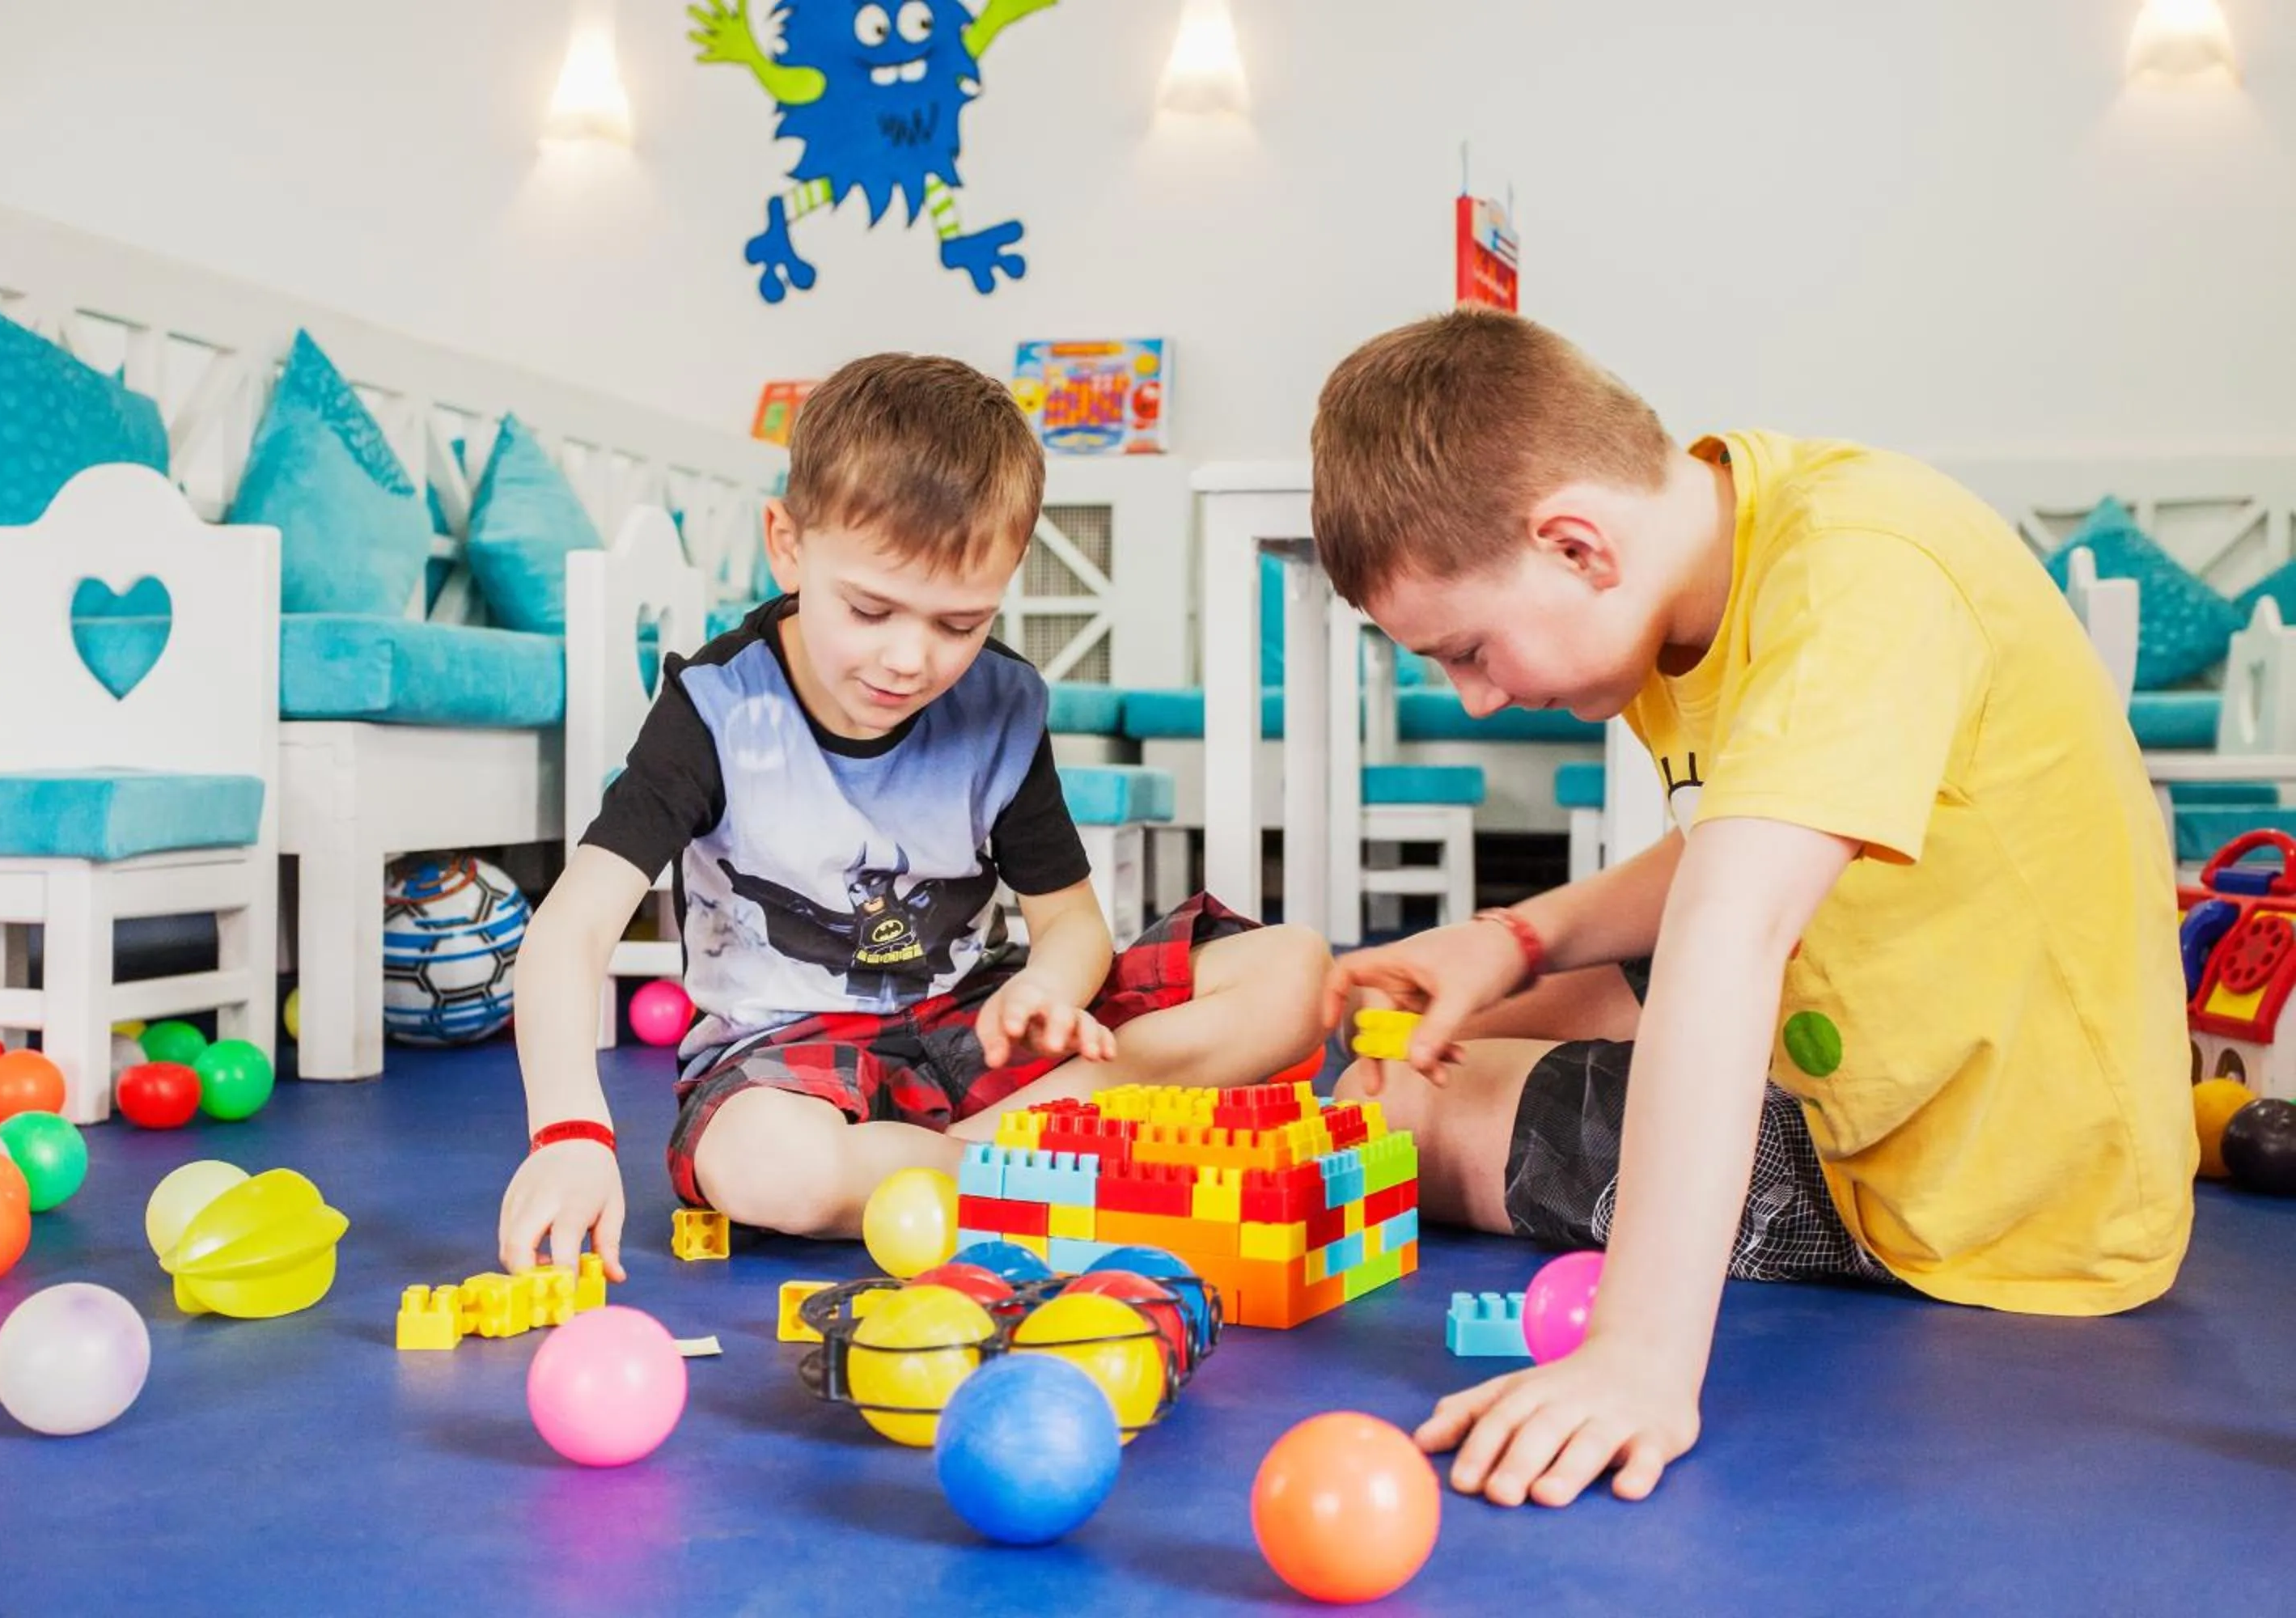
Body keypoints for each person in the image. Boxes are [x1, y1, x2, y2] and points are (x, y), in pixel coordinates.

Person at [1311, 307, 2193, 1509]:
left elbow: (1734, 929)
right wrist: (1513, 938)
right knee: (1501, 1007)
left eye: (1468, 650)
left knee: (1407, 1095)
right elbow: (1740, 842)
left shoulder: (1863, 576)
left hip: (1993, 1188)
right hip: (1900, 1045)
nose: (1473, 701)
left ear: (1577, 546)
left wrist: (1637, 1357)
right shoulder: (1725, 547)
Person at [498, 353, 1329, 1278]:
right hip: (793, 1060)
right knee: (768, 1168)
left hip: (978, 1029)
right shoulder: (716, 710)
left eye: (959, 624)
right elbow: (569, 931)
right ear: (789, 544)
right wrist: (569, 1128)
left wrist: (1047, 989)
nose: (910, 659)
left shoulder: (1002, 706)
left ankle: (980, 1159)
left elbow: (1072, 924)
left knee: (1294, 973)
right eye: (870, 608)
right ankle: (1032, 1159)